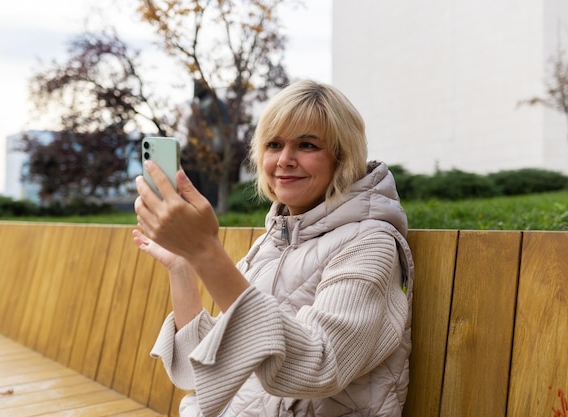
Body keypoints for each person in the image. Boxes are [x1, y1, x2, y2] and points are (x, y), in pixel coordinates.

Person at [133, 80, 414, 417]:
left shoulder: (370, 243)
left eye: (307, 145)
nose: (285, 159)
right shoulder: (272, 241)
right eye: (274, 144)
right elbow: (202, 367)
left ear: (342, 156)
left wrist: (207, 253)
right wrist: (182, 264)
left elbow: (320, 366)